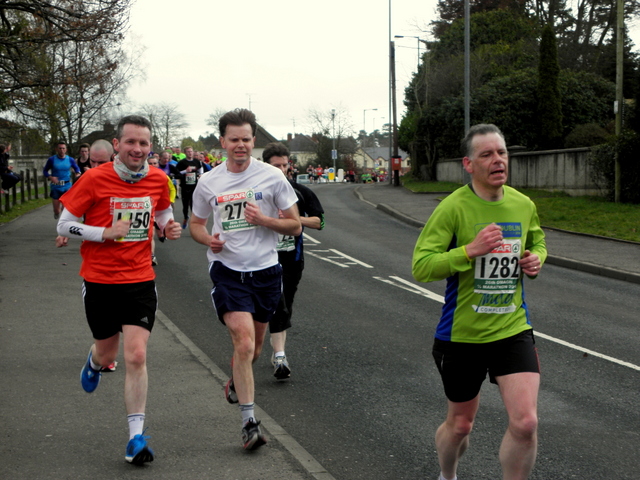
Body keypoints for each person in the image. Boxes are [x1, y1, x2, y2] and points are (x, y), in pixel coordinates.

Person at [411, 124, 547, 480]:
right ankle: (447, 474)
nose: (497, 160)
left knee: (526, 422)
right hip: (462, 336)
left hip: (511, 328)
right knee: (460, 425)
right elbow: (422, 266)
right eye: (486, 154)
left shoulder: (523, 204)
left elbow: (538, 241)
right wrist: (470, 250)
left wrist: (536, 260)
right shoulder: (452, 208)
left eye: (501, 152)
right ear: (468, 164)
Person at [56, 115, 182, 465]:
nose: (138, 149)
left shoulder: (158, 179)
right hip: (99, 281)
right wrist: (103, 233)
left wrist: (168, 227)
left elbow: (163, 212)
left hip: (140, 280)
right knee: (109, 355)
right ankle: (95, 363)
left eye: (144, 143)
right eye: (131, 142)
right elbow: (64, 223)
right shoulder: (94, 179)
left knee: (137, 355)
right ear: (117, 144)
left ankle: (135, 438)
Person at [189, 108, 301, 450]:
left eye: (246, 139)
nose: (241, 145)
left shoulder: (272, 177)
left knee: (252, 349)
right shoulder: (209, 181)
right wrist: (209, 239)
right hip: (228, 272)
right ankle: (249, 423)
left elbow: (295, 224)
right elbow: (196, 224)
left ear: (254, 141)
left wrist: (265, 220)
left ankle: (237, 380)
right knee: (243, 342)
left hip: (266, 272)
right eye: (234, 139)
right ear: (222, 141)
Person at [263, 142, 324, 380]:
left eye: (284, 165)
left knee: (284, 303)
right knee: (274, 304)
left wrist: (294, 219)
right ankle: (277, 354)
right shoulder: (256, 192)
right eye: (275, 166)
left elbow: (320, 222)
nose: (280, 169)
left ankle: (278, 350)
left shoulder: (300, 192)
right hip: (262, 259)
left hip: (292, 259)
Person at [147, 154, 177, 266]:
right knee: (151, 232)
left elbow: (172, 189)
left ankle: (161, 234)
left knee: (157, 230)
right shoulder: (139, 177)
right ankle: (152, 255)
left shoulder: (163, 176)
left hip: (161, 206)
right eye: (150, 163)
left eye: (155, 163)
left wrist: (171, 200)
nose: (153, 165)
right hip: (147, 209)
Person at [43, 141, 82, 219]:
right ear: (56, 149)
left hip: (67, 186)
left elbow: (77, 168)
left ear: (66, 150)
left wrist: (77, 173)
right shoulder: (52, 159)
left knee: (65, 209)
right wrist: (50, 177)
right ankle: (57, 212)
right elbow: (45, 171)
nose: (61, 150)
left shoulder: (70, 159)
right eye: (60, 148)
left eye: (63, 148)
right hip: (56, 187)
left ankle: (63, 221)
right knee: (56, 210)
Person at [176, 146, 203, 229]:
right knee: (185, 205)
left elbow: (200, 170)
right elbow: (177, 173)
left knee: (193, 204)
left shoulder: (197, 162)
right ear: (185, 153)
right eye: (188, 151)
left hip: (194, 186)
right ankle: (185, 217)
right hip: (185, 186)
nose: (190, 153)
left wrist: (200, 175)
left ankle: (193, 220)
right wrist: (185, 171)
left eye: (191, 151)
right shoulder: (181, 162)